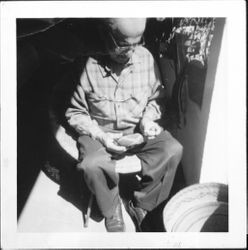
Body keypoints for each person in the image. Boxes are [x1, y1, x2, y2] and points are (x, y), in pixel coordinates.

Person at [65, 18, 183, 232]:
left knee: (173, 150)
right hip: (100, 134)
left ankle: (143, 203)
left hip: (138, 131)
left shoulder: (146, 58)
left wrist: (148, 120)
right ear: (106, 37)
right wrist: (100, 136)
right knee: (91, 164)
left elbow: (156, 98)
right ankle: (111, 207)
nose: (129, 52)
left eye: (136, 44)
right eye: (123, 45)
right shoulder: (87, 66)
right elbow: (75, 112)